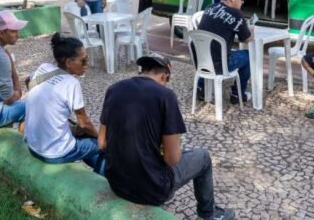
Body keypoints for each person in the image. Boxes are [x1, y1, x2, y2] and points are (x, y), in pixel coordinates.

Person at [99, 54, 235, 220]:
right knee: (203, 157)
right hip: (151, 191)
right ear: (164, 76)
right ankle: (209, 214)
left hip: (117, 184)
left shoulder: (113, 89)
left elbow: (102, 142)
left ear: (143, 71)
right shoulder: (165, 95)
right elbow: (172, 159)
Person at [24, 33, 105, 174]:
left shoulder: (44, 67)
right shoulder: (71, 83)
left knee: (82, 135)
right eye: (83, 61)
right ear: (68, 62)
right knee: (102, 145)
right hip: (55, 153)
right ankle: (101, 180)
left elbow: (27, 82)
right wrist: (100, 137)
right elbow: (84, 123)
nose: (86, 65)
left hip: (33, 146)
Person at [196, 0, 253, 104]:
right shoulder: (236, 14)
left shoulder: (209, 7)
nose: (242, 2)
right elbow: (247, 39)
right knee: (249, 56)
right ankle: (237, 94)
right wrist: (251, 30)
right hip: (220, 64)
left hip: (201, 60)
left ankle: (201, 86)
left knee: (213, 50)